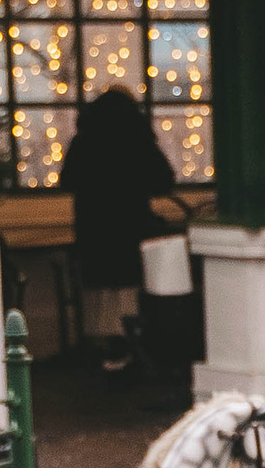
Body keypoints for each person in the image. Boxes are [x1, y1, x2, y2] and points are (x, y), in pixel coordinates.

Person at [60, 87, 184, 377]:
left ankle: (108, 344)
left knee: (101, 287)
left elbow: (67, 181)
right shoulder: (138, 140)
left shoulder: (84, 141)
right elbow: (163, 181)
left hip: (95, 228)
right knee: (130, 285)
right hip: (131, 226)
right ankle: (133, 343)